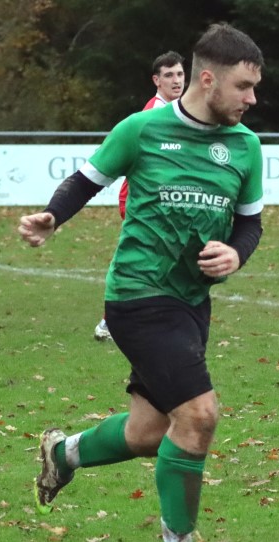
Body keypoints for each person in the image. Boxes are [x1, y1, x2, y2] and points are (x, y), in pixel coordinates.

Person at [18, 23, 265, 542]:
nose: (252, 99)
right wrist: (52, 217)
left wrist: (235, 255)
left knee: (151, 432)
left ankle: (65, 453)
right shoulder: (143, 129)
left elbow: (251, 225)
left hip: (192, 303)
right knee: (199, 416)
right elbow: (87, 179)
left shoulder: (246, 146)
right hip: (138, 295)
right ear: (208, 79)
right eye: (244, 86)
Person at [96, 51, 187, 342]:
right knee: (144, 255)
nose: (176, 80)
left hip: (159, 197)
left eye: (180, 74)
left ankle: (143, 314)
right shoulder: (153, 113)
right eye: (169, 75)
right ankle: (113, 320)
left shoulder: (177, 111)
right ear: (156, 80)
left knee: (160, 254)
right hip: (138, 196)